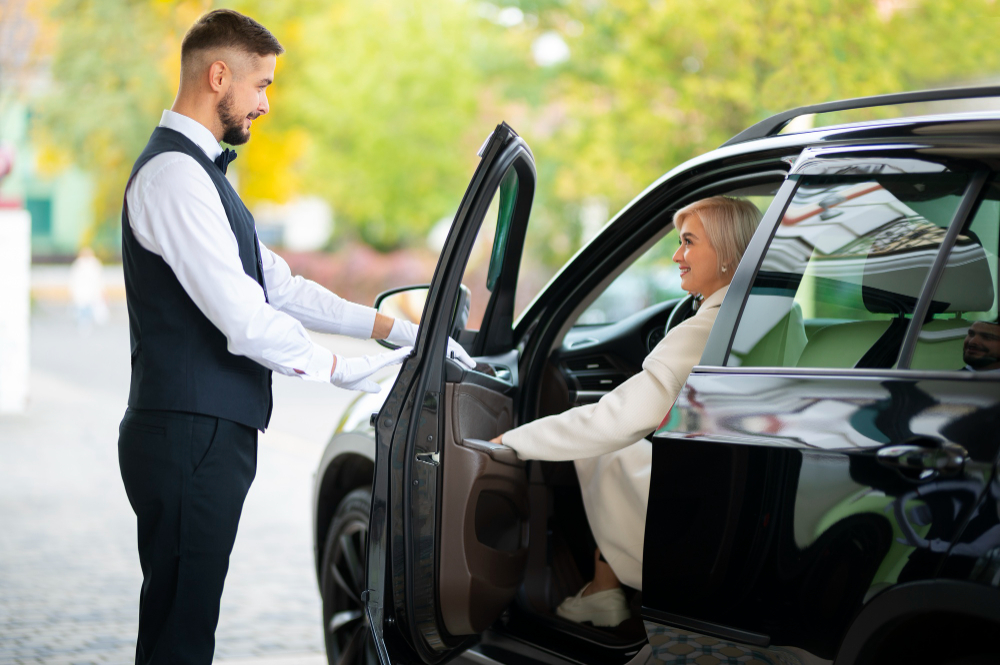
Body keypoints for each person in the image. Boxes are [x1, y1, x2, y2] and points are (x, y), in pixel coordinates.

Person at [117, 10, 473, 664]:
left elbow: (279, 284)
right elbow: (246, 317)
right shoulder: (174, 178)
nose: (265, 104)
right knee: (180, 630)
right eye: (261, 85)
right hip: (188, 436)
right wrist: (349, 369)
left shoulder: (202, 175)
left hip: (202, 434)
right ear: (217, 75)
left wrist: (394, 330)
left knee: (184, 619)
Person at [492, 196, 761, 627]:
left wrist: (513, 441)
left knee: (605, 448)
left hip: (705, 520)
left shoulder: (707, 330)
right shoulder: (774, 315)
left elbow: (614, 421)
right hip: (744, 499)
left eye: (689, 242)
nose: (677, 255)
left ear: (728, 253)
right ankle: (605, 586)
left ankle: (606, 590)